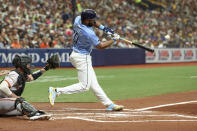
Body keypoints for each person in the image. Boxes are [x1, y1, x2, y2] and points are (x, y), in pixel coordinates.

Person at [49, 9, 124, 111]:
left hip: (76, 54)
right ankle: (56, 91)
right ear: (86, 20)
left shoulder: (78, 20)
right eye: (91, 20)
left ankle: (109, 104)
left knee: (94, 84)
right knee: (84, 86)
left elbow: (94, 23)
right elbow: (100, 46)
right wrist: (114, 40)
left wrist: (105, 28)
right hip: (82, 58)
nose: (94, 21)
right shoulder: (88, 33)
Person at [0, 54, 59, 120]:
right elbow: (2, 87)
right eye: (28, 64)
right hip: (2, 102)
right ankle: (34, 114)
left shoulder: (20, 75)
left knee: (22, 109)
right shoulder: (14, 74)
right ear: (23, 65)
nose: (29, 66)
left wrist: (46, 68)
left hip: (3, 103)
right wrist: (14, 96)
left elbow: (33, 76)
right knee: (20, 101)